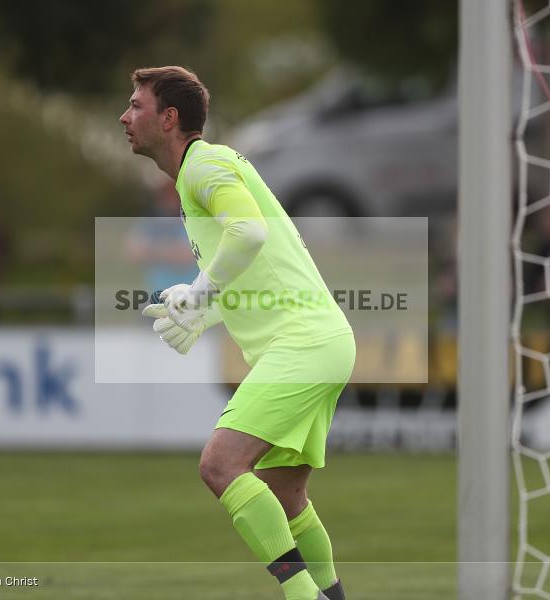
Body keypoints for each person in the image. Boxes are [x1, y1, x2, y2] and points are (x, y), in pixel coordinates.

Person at [120, 66, 354, 600]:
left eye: (136, 105)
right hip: (320, 341)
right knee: (285, 496)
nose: (125, 116)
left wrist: (199, 293)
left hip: (305, 343)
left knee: (220, 464)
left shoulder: (205, 164)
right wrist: (203, 314)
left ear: (169, 118)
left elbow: (249, 232)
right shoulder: (197, 175)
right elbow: (253, 268)